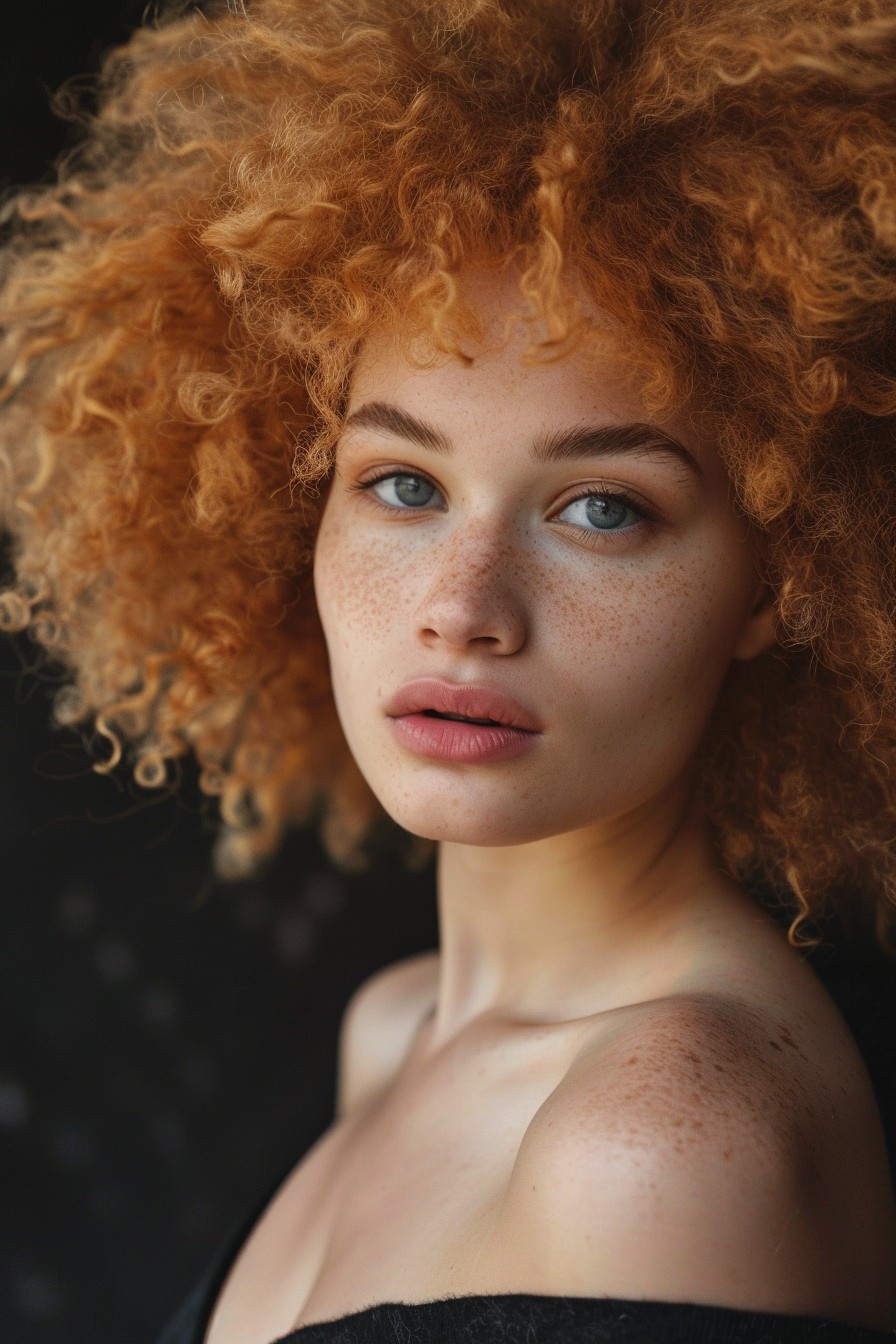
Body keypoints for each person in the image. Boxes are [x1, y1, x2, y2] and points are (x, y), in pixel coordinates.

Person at [1, 0, 895, 1340]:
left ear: (782, 576)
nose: (463, 609)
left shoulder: (662, 1144)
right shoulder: (396, 1035)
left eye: (603, 507)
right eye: (404, 483)